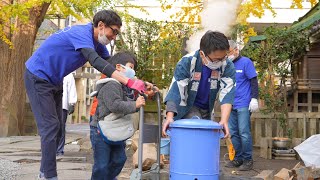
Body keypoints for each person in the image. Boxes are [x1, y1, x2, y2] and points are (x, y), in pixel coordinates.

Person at [24, 10, 146, 180]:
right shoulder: (81, 34)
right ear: (101, 25)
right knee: (50, 126)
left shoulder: (97, 43)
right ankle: (47, 175)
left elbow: (112, 65)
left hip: (55, 80)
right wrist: (128, 82)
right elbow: (96, 62)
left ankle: (46, 172)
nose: (114, 37)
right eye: (114, 31)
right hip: (38, 75)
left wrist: (142, 84)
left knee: (58, 126)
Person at [162, 30, 236, 139]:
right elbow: (176, 89)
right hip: (188, 107)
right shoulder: (187, 62)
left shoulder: (227, 65)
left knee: (206, 136)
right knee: (195, 125)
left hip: (208, 108)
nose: (221, 62)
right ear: (202, 54)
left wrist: (224, 120)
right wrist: (169, 117)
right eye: (216, 59)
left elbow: (227, 93)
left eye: (223, 58)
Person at [90, 52, 145, 180]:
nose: (132, 71)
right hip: (101, 130)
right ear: (119, 67)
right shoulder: (111, 84)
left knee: (119, 159)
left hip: (115, 129)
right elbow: (114, 105)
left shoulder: (123, 86)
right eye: (130, 67)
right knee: (102, 165)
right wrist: (134, 105)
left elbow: (129, 99)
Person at [225, 40, 259, 171]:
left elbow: (253, 81)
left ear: (236, 50)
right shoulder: (227, 64)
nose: (227, 55)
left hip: (244, 103)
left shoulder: (246, 62)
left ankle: (248, 160)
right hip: (231, 104)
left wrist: (254, 98)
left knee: (244, 132)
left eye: (229, 52)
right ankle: (238, 158)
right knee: (233, 133)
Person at [56, 73, 77, 156]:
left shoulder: (68, 74)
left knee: (61, 127)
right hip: (50, 104)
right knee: (50, 127)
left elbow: (72, 89)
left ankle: (59, 150)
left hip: (63, 106)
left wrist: (72, 103)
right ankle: (49, 148)